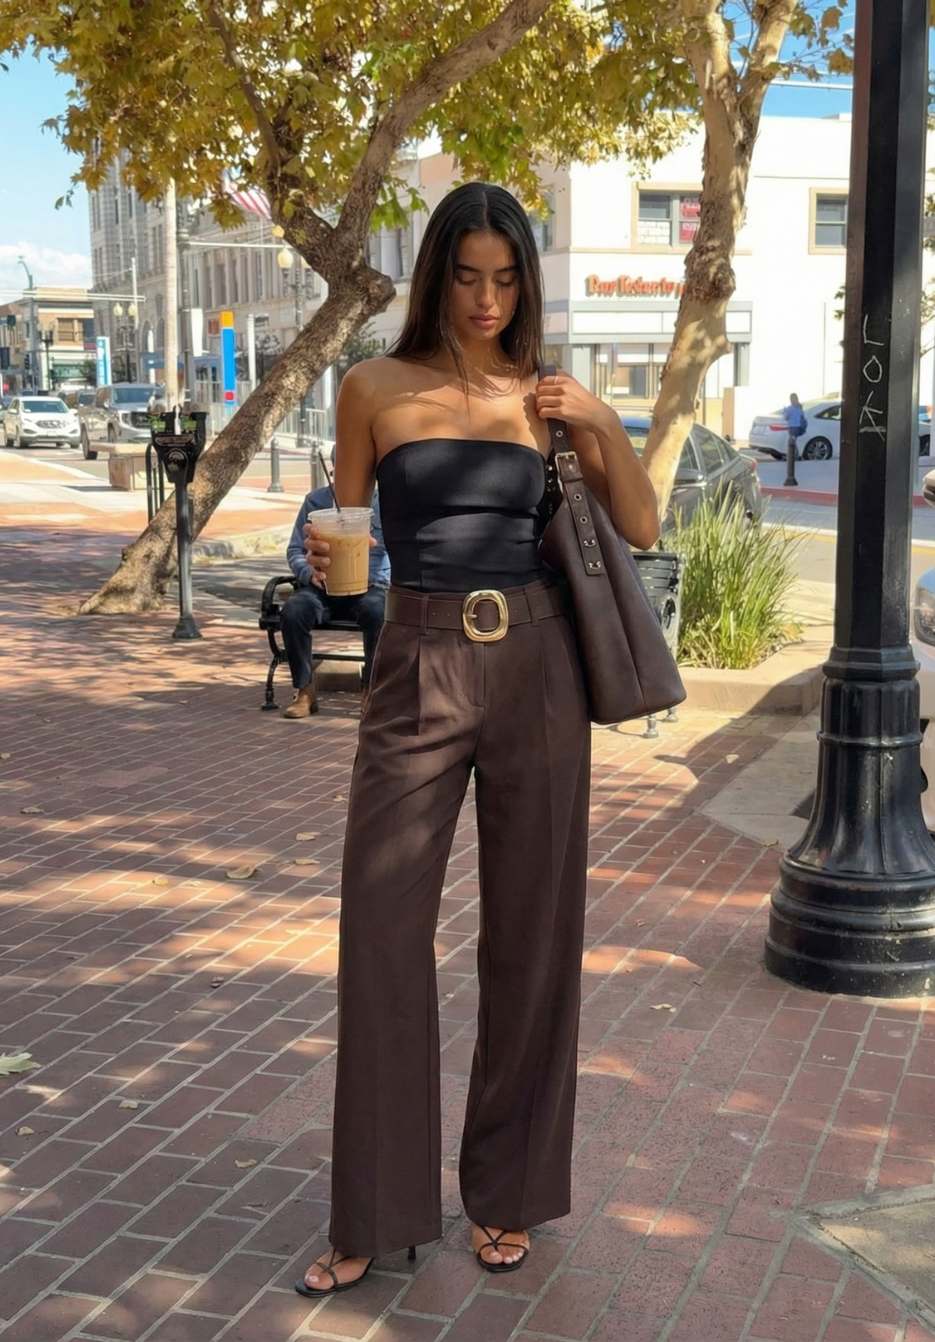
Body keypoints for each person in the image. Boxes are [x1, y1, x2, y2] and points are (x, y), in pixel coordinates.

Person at [295, 182, 659, 1297]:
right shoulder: (373, 386)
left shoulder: (546, 395)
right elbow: (346, 540)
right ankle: (375, 1208)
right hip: (416, 659)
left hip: (539, 664)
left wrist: (599, 420)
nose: (488, 298)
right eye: (467, 276)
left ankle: (508, 1195)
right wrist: (327, 559)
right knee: (382, 923)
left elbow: (641, 524)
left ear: (527, 283)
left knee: (533, 935)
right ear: (436, 276)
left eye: (506, 278)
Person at [279, 480, 389, 719]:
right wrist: (309, 573)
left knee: (378, 611)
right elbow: (295, 550)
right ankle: (304, 691)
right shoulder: (315, 501)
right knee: (294, 611)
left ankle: (370, 689)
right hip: (324, 587)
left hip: (370, 587)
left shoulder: (386, 502)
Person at [781, 392, 807, 461]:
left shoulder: (799, 408)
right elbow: (785, 417)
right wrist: (788, 415)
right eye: (792, 399)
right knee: (793, 441)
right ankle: (794, 455)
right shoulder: (789, 408)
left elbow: (804, 417)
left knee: (793, 441)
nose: (793, 401)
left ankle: (794, 455)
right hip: (791, 426)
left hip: (797, 427)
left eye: (794, 399)